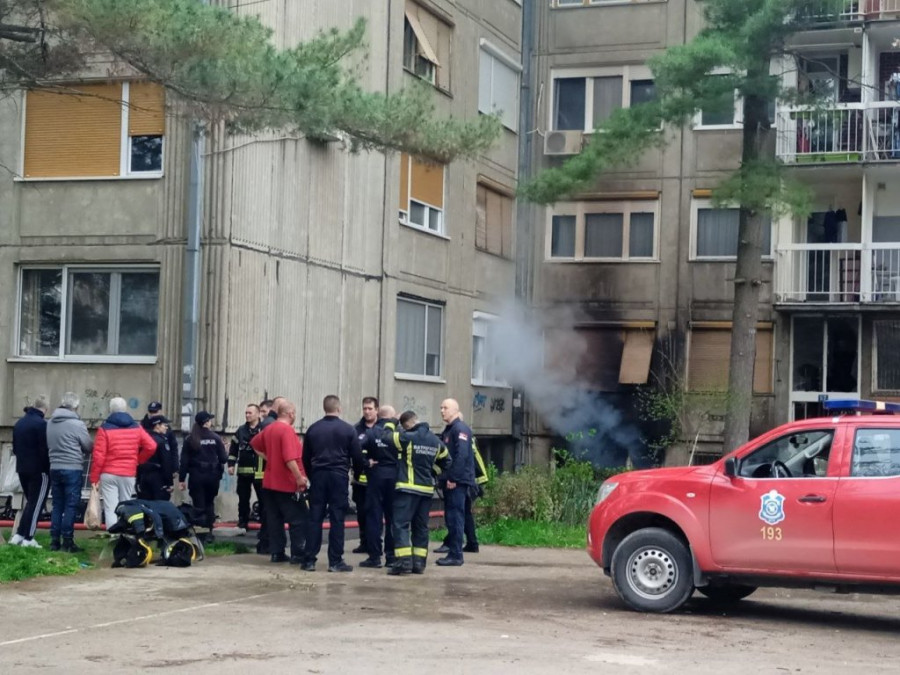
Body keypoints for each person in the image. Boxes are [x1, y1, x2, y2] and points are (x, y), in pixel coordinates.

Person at [383, 410, 451, 576]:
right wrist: (432, 471)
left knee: (400, 524)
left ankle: (404, 562)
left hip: (407, 489)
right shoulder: (435, 441)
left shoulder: (407, 438)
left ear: (406, 426)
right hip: (426, 491)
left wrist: (392, 421)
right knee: (421, 527)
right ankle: (419, 563)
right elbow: (447, 461)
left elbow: (386, 437)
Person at [302, 395, 364, 572]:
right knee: (337, 519)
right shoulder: (348, 430)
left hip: (318, 475)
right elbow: (357, 457)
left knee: (315, 517)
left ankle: (309, 561)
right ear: (339, 408)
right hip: (339, 476)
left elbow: (305, 457)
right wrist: (357, 474)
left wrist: (312, 475)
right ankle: (335, 561)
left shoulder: (313, 429)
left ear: (324, 408)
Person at [250, 400, 309, 564]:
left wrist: (269, 458)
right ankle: (298, 554)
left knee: (274, 519)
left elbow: (255, 444)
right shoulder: (287, 430)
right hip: (286, 483)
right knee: (298, 519)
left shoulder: (269, 428)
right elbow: (290, 459)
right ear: (290, 414)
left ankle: (277, 553)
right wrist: (299, 478)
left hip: (269, 482)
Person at [90, 397, 157, 531]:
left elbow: (99, 456)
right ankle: (124, 534)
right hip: (128, 472)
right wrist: (138, 460)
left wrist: (94, 478)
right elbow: (151, 446)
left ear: (110, 410)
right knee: (126, 505)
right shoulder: (136, 427)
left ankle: (113, 534)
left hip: (109, 472)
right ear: (125, 409)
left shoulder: (104, 429)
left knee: (110, 507)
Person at [46, 393, 93, 552]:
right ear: (75, 407)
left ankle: (54, 541)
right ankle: (67, 541)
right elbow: (88, 446)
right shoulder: (77, 424)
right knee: (71, 505)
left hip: (54, 466)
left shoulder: (50, 422)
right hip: (72, 467)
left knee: (57, 504)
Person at [436, 399, 476, 567]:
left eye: (445, 407)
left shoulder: (460, 429)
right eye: (441, 407)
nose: (442, 410)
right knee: (453, 516)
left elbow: (461, 456)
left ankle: (455, 555)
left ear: (455, 410)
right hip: (453, 479)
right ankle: (455, 552)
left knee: (455, 517)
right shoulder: (450, 429)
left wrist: (453, 478)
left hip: (457, 481)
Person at [359, 405, 399, 568]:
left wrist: (365, 462)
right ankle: (391, 557)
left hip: (376, 476)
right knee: (393, 519)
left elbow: (356, 448)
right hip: (394, 477)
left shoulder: (371, 432)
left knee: (374, 517)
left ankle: (374, 557)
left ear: (379, 416)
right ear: (392, 417)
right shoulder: (398, 433)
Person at [178, 411, 227, 538]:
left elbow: (184, 461)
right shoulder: (216, 438)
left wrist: (182, 479)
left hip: (196, 476)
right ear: (207, 422)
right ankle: (209, 531)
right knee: (209, 503)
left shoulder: (190, 439)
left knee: (198, 504)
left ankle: (200, 533)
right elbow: (223, 459)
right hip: (212, 476)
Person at [435, 437, 488, 555]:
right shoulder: (467, 437)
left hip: (461, 480)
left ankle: (451, 543)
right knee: (465, 512)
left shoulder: (456, 437)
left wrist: (450, 478)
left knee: (454, 512)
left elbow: (455, 459)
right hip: (469, 478)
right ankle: (472, 543)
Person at [10, 396, 50, 547]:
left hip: (22, 468)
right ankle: (29, 538)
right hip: (39, 470)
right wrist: (47, 468)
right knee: (37, 504)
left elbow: (15, 448)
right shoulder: (41, 424)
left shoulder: (19, 423)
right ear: (45, 409)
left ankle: (19, 534)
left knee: (30, 503)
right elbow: (44, 449)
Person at [227, 403, 267, 547]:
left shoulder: (264, 429)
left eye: (250, 413)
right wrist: (231, 464)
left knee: (263, 500)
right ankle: (242, 523)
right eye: (246, 413)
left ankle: (264, 526)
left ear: (258, 414)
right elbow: (233, 449)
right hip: (244, 472)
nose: (247, 415)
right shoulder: (241, 431)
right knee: (243, 499)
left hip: (260, 473)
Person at [351, 396, 378, 555]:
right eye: (365, 409)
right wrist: (365, 463)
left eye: (370, 409)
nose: (367, 412)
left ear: (376, 410)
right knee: (361, 513)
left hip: (377, 480)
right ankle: (364, 542)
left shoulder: (382, 428)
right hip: (360, 481)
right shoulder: (356, 429)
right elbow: (352, 453)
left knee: (375, 513)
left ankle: (375, 543)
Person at [137, 415, 175, 501]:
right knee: (160, 503)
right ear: (157, 426)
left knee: (146, 503)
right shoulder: (162, 441)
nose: (166, 428)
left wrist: (138, 480)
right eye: (164, 425)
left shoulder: (143, 440)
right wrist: (169, 483)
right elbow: (166, 463)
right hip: (158, 477)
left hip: (144, 476)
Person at [140, 400, 180, 483]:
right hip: (145, 468)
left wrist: (175, 467)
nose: (153, 414)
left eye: (155, 412)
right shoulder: (143, 425)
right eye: (151, 411)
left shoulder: (165, 427)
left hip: (161, 467)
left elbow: (173, 447)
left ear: (160, 411)